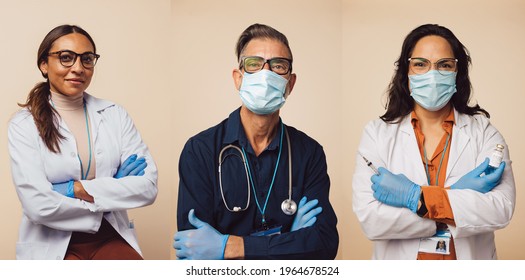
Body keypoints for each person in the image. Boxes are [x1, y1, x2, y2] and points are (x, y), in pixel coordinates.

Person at [173, 23, 338, 259]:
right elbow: (194, 252)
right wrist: (288, 239)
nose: (266, 73)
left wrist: (231, 247)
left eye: (278, 66)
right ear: (238, 78)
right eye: (254, 64)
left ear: (290, 84)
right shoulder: (200, 150)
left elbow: (325, 244)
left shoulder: (309, 153)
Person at [352, 24, 515, 260]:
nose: (432, 74)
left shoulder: (484, 132)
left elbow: (500, 209)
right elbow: (371, 221)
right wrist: (453, 202)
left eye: (444, 65)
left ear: (457, 72)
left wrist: (416, 198)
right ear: (405, 73)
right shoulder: (377, 134)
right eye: (420, 64)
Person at [8, 25, 158, 260]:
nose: (78, 68)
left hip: (109, 235)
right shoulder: (24, 124)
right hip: (51, 242)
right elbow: (37, 205)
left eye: (86, 59)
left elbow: (147, 188)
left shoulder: (114, 114)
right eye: (66, 58)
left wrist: (75, 189)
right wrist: (109, 194)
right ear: (44, 65)